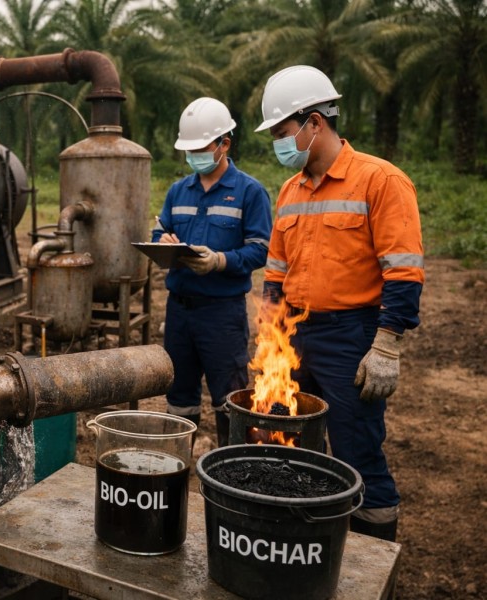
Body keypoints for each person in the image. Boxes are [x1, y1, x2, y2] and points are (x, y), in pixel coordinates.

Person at [254, 65, 424, 542]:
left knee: (357, 451)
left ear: (314, 123)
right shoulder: (290, 191)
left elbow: (404, 271)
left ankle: (372, 559)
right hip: (296, 337)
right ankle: (307, 537)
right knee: (290, 442)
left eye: (283, 132)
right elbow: (275, 276)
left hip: (351, 337)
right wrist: (270, 340)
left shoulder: (381, 181)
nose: (279, 145)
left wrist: (386, 345)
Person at [152, 97, 272, 447]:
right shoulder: (178, 191)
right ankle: (178, 461)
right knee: (179, 397)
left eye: (201, 148)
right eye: (188, 150)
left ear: (224, 144)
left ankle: (231, 469)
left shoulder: (249, 192)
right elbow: (160, 232)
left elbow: (261, 249)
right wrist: (164, 241)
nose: (194, 156)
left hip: (222, 315)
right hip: (180, 312)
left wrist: (220, 261)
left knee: (230, 399)